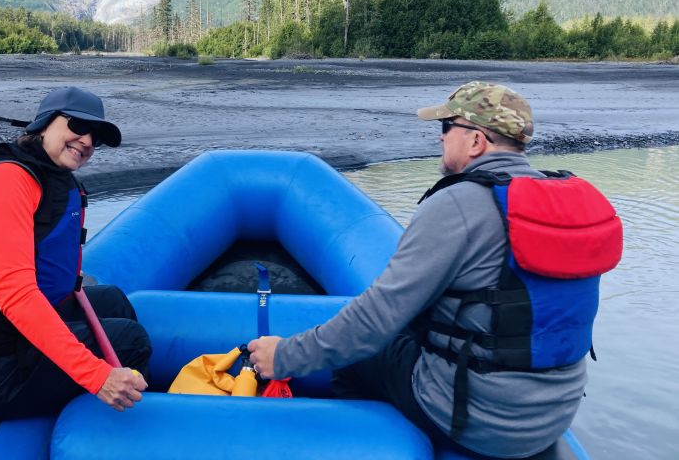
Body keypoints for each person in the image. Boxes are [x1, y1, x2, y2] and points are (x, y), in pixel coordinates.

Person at [248, 81, 621, 458]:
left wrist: (284, 356)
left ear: (476, 141)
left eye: (446, 128)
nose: (440, 139)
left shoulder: (459, 203)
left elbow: (374, 320)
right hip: (552, 417)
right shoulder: (562, 202)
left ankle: (368, 441)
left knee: (362, 358)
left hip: (482, 420)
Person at [0, 86, 150, 419]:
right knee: (130, 340)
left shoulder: (45, 173)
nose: (87, 141)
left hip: (4, 333)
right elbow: (16, 296)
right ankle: (132, 426)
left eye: (95, 136)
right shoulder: (7, 179)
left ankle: (140, 396)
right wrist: (97, 376)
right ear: (44, 123)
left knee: (112, 299)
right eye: (76, 125)